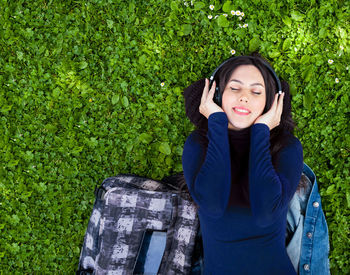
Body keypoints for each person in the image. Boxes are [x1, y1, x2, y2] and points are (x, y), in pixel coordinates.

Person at [182, 53, 303, 274]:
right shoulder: (199, 144)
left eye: (256, 91)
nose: (244, 97)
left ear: (272, 102)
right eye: (234, 88)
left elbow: (265, 213)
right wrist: (216, 123)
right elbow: (213, 204)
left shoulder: (286, 148)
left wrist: (261, 132)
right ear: (216, 95)